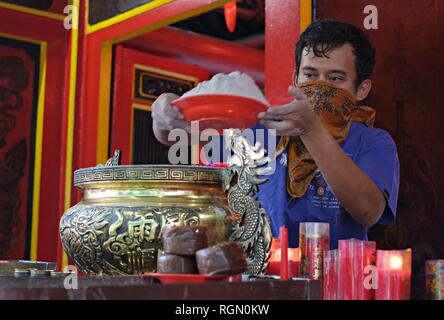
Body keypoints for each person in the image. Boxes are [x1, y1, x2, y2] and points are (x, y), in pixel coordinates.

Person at [151, 20, 400, 248]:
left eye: (335, 79)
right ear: (296, 78)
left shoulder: (372, 141)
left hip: (333, 284)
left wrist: (311, 130)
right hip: (262, 279)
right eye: (311, 75)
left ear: (361, 89)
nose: (320, 87)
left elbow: (368, 212)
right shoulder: (261, 128)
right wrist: (165, 112)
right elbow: (176, 135)